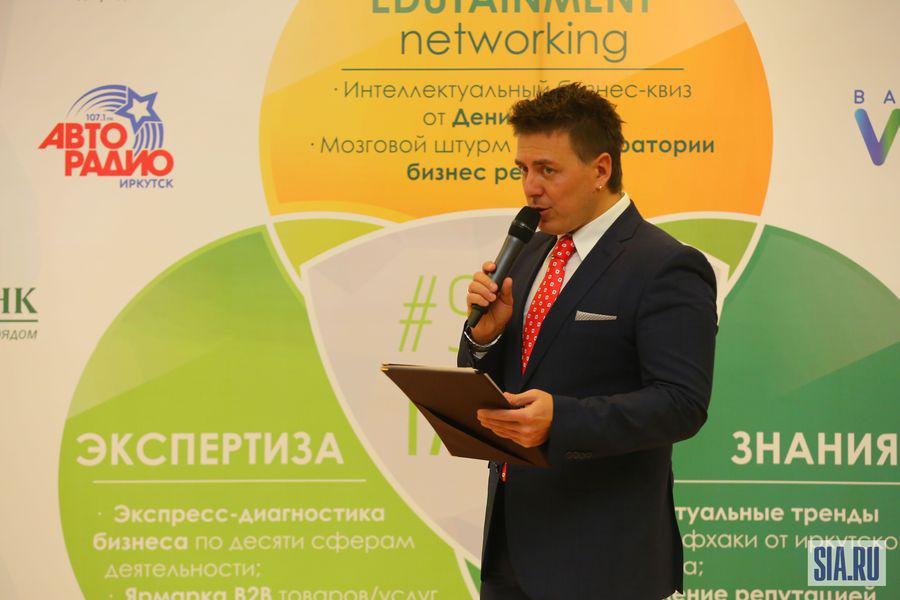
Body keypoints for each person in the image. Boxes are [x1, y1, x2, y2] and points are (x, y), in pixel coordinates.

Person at [457, 83, 718, 599]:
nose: (530, 188)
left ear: (601, 170)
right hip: (510, 551)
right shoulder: (529, 253)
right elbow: (497, 380)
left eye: (547, 170)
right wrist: (485, 337)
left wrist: (562, 419)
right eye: (522, 169)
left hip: (603, 560)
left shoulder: (666, 265)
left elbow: (681, 405)